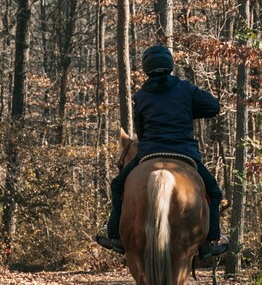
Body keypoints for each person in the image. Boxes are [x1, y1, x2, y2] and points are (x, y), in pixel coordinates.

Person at [95, 44, 230, 260]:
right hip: (184, 153)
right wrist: (187, 109)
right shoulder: (186, 89)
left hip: (149, 152)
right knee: (213, 192)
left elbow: (140, 131)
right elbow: (213, 106)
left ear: (147, 68)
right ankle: (211, 240)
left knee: (117, 185)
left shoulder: (141, 95)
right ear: (169, 65)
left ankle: (115, 236)